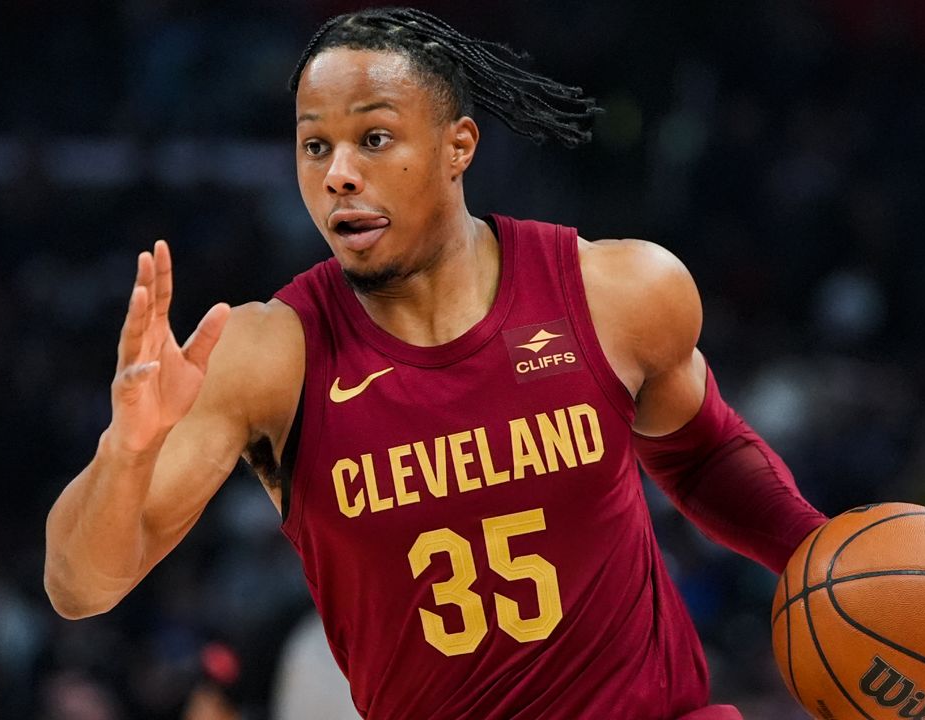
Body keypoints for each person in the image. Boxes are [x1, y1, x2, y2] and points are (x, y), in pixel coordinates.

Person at [43, 7, 827, 719]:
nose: (338, 173)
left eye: (373, 138)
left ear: (459, 147)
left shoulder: (616, 291)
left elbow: (704, 453)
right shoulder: (269, 355)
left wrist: (820, 553)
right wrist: (128, 452)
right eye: (314, 145)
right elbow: (81, 586)